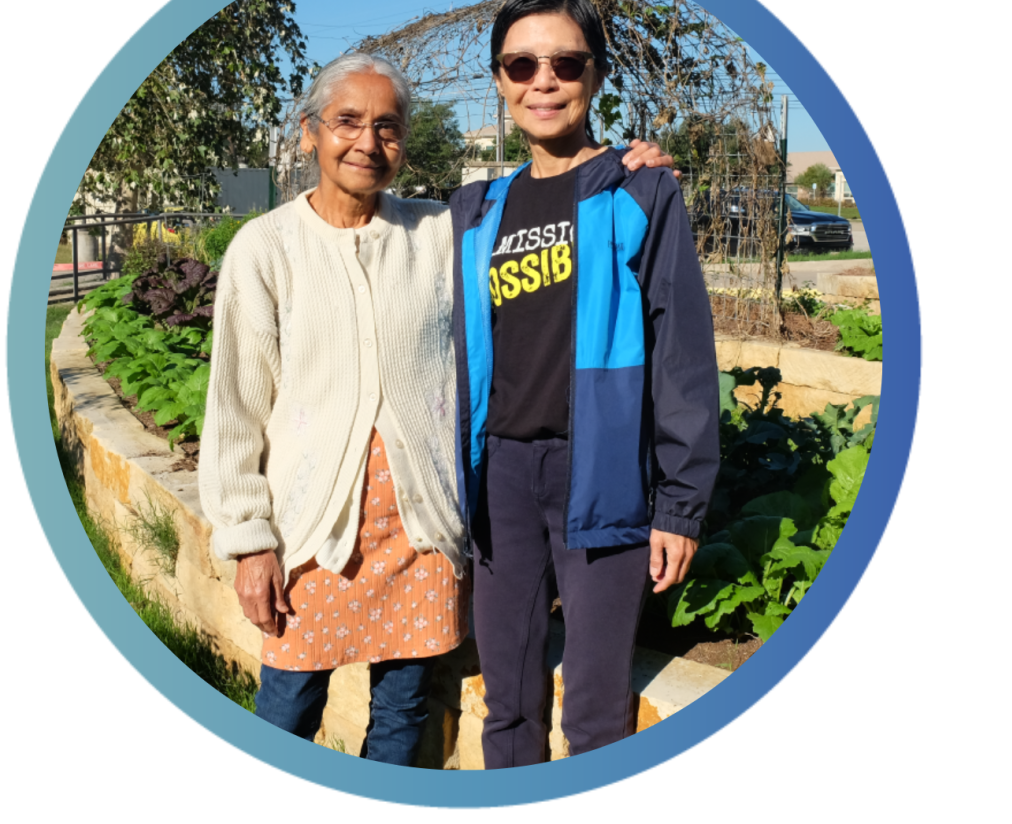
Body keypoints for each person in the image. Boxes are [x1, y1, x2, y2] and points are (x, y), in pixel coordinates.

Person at [198, 51, 677, 765]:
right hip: (310, 534)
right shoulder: (264, 249)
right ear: (308, 134)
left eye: (387, 126)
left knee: (403, 712)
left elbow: (539, 206)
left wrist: (624, 171)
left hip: (420, 532)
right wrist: (248, 540)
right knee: (286, 710)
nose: (368, 142)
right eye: (348, 122)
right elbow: (236, 405)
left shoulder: (437, 233)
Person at [449, 0, 721, 768]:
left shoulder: (640, 190)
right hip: (499, 477)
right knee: (508, 707)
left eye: (565, 62)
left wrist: (681, 503)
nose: (544, 80)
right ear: (499, 81)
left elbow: (681, 353)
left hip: (600, 472)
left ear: (595, 74)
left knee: (598, 717)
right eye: (521, 64)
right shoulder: (474, 211)